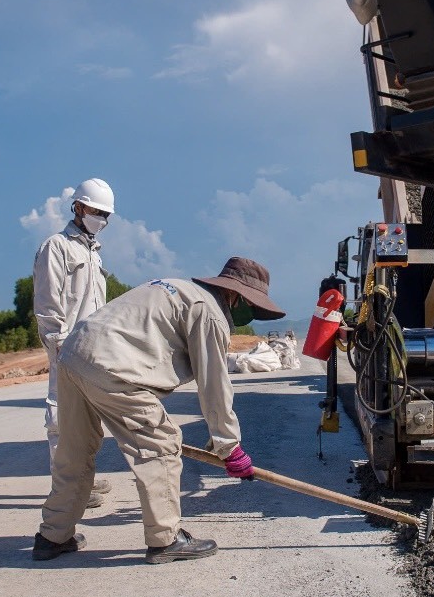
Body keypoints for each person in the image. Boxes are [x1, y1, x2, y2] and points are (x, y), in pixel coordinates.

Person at [31, 256, 285, 564]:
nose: (250, 314)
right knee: (161, 445)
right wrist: (229, 447)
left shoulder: (178, 289)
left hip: (73, 354)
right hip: (114, 367)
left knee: (74, 450)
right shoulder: (210, 314)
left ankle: (52, 536)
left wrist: (218, 442)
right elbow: (214, 386)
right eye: (251, 306)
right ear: (234, 294)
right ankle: (166, 539)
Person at [32, 177, 115, 509]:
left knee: (88, 417)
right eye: (96, 211)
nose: (102, 219)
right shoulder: (57, 247)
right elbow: (48, 302)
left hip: (92, 347)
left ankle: (84, 476)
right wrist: (59, 344)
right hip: (66, 346)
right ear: (78, 207)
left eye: (106, 214)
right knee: (62, 415)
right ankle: (65, 485)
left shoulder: (92, 252)